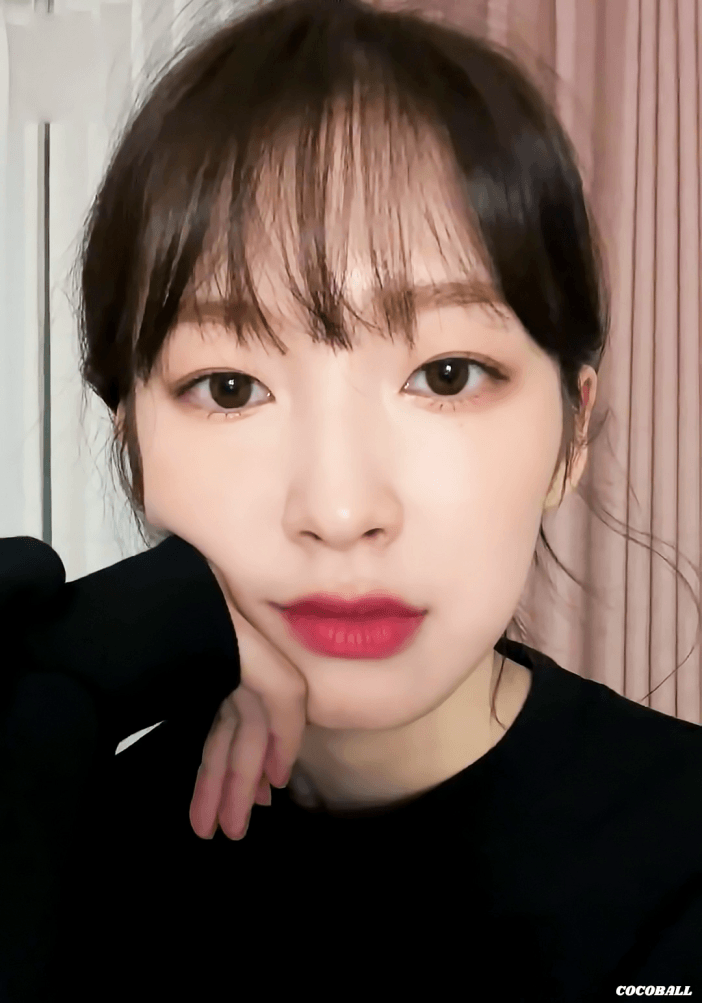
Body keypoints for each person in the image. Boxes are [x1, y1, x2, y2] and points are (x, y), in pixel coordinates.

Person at [1, 1, 700, 1000]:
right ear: (133, 442)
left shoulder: (679, 862)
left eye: (448, 374)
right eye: (230, 388)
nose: (338, 509)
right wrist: (79, 663)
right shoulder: (62, 843)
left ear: (571, 433)